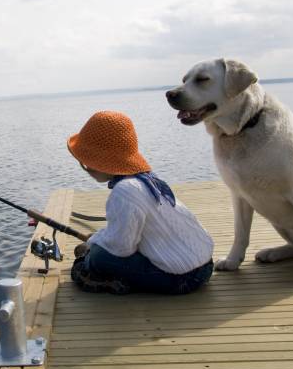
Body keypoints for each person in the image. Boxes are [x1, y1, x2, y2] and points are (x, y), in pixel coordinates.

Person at [68, 110, 214, 295]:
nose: (85, 167)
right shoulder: (147, 180)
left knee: (99, 257)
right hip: (206, 265)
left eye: (85, 163)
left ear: (96, 162)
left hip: (181, 279)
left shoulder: (123, 192)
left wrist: (93, 246)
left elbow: (121, 248)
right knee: (102, 241)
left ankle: (96, 272)